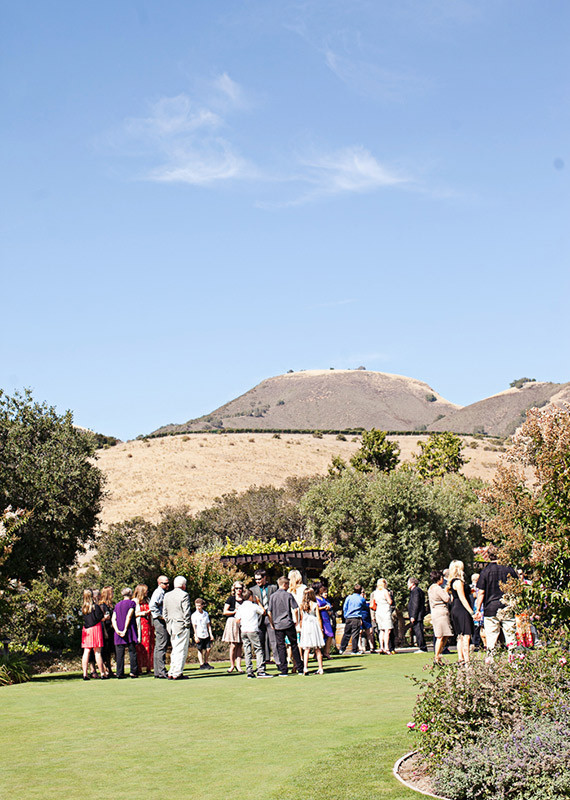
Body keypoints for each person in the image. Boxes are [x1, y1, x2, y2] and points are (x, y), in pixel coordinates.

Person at [474, 548, 519, 660]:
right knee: (510, 636)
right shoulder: (509, 569)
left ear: (488, 556)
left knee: (491, 639)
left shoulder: (485, 571)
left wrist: (478, 609)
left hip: (490, 607)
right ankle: (514, 661)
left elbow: (481, 592)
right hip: (507, 606)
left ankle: (491, 662)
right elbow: (517, 587)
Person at [268, 576, 304, 676]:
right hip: (288, 623)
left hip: (278, 624)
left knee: (281, 647)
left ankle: (284, 670)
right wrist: (296, 620)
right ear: (284, 584)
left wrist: (272, 623)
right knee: (294, 645)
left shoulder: (273, 596)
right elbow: (296, 609)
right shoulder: (288, 595)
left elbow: (269, 612)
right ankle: (300, 668)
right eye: (287, 584)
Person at [234, 589, 272, 679]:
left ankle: (249, 671)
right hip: (252, 629)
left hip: (244, 630)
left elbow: (237, 620)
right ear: (250, 596)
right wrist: (258, 602)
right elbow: (263, 612)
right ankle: (260, 670)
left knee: (247, 650)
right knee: (258, 649)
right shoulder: (254, 606)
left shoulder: (241, 607)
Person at [163, 575, 192, 680]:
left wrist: (168, 622)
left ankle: (172, 671)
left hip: (171, 626)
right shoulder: (184, 595)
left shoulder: (167, 595)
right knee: (181, 649)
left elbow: (164, 612)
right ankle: (177, 672)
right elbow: (186, 612)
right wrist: (187, 624)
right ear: (183, 585)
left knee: (175, 649)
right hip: (181, 625)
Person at [448, 560, 475, 664]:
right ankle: (467, 659)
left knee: (460, 635)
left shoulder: (452, 582)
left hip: (455, 608)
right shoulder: (458, 582)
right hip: (461, 608)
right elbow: (462, 598)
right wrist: (472, 612)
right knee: (466, 634)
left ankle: (461, 658)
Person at [250, 569, 278, 664]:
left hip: (271, 617)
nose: (257, 581)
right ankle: (262, 663)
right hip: (259, 618)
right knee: (260, 642)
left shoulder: (273, 588)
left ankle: (279, 662)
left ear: (264, 578)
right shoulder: (252, 590)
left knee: (274, 641)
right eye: (256, 579)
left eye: (259, 579)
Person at [81, 589, 108, 680]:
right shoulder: (95, 607)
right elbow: (100, 618)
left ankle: (85, 673)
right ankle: (102, 673)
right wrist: (105, 617)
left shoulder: (83, 608)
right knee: (97, 652)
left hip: (86, 630)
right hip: (95, 629)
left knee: (86, 651)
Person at [112, 587, 139, 679]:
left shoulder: (117, 605)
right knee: (132, 651)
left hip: (118, 631)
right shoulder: (131, 603)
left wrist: (117, 630)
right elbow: (129, 616)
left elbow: (113, 618)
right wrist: (125, 629)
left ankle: (119, 672)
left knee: (119, 653)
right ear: (130, 594)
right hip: (129, 630)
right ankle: (133, 672)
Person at [428, 570, 452, 665]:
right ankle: (437, 657)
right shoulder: (437, 588)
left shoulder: (431, 588)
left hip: (436, 612)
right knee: (440, 636)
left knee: (444, 635)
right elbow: (446, 598)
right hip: (440, 612)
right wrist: (446, 590)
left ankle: (439, 656)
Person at [299, 588, 325, 675]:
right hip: (314, 625)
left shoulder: (302, 605)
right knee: (317, 648)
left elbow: (301, 618)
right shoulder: (315, 604)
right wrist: (321, 629)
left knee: (306, 648)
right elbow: (319, 618)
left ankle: (305, 668)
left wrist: (301, 627)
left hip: (306, 626)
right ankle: (320, 668)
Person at [149, 575, 170, 679]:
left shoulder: (162, 592)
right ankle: (161, 671)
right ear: (159, 583)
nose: (167, 585)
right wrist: (160, 616)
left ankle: (158, 671)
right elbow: (152, 605)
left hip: (158, 620)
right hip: (159, 620)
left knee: (159, 645)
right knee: (162, 644)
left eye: (168, 583)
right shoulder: (158, 592)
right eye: (165, 583)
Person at [222, 582, 245, 673]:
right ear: (234, 589)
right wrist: (234, 611)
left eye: (240, 588)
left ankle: (239, 666)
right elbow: (225, 611)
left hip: (242, 622)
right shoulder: (230, 599)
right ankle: (232, 665)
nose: (238, 590)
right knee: (233, 645)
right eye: (237, 588)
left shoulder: (244, 599)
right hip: (232, 622)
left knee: (240, 644)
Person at [339, 584, 368, 655]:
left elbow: (345, 607)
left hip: (349, 617)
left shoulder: (349, 597)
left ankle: (342, 649)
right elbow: (364, 607)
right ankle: (354, 650)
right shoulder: (361, 599)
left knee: (346, 634)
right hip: (356, 618)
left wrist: (345, 615)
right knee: (355, 634)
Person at [134, 584, 154, 674]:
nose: (147, 592)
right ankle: (139, 667)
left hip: (149, 625)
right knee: (140, 646)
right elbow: (133, 614)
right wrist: (142, 613)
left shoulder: (148, 600)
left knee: (149, 645)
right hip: (141, 625)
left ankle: (148, 667)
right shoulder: (135, 601)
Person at [371, 578, 394, 655]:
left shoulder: (375, 592)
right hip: (385, 611)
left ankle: (381, 647)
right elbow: (390, 601)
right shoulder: (385, 591)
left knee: (381, 630)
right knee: (387, 630)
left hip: (378, 611)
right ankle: (387, 648)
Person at [191, 598, 214, 670]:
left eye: (199, 606)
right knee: (200, 649)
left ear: (202, 606)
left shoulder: (205, 614)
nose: (198, 607)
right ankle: (201, 664)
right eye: (196, 606)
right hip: (199, 634)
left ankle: (206, 662)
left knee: (208, 649)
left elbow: (208, 625)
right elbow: (194, 626)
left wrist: (211, 634)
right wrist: (195, 636)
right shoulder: (194, 615)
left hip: (206, 634)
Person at [313, 583, 334, 658]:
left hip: (326, 617)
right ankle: (317, 653)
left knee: (330, 634)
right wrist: (323, 608)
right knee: (320, 635)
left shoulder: (322, 597)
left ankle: (326, 652)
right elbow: (314, 608)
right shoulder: (314, 598)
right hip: (320, 617)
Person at [407, 578, 427, 652]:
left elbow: (416, 604)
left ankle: (422, 647)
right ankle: (422, 646)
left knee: (419, 631)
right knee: (418, 630)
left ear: (412, 583)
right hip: (418, 615)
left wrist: (413, 616)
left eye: (408, 583)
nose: (407, 585)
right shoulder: (416, 591)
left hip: (417, 615)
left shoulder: (416, 591)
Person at [99, 586, 115, 677]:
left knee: (109, 651)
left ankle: (109, 669)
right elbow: (102, 620)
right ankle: (105, 669)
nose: (113, 594)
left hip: (111, 630)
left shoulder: (110, 605)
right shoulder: (102, 606)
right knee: (105, 651)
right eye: (112, 592)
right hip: (105, 631)